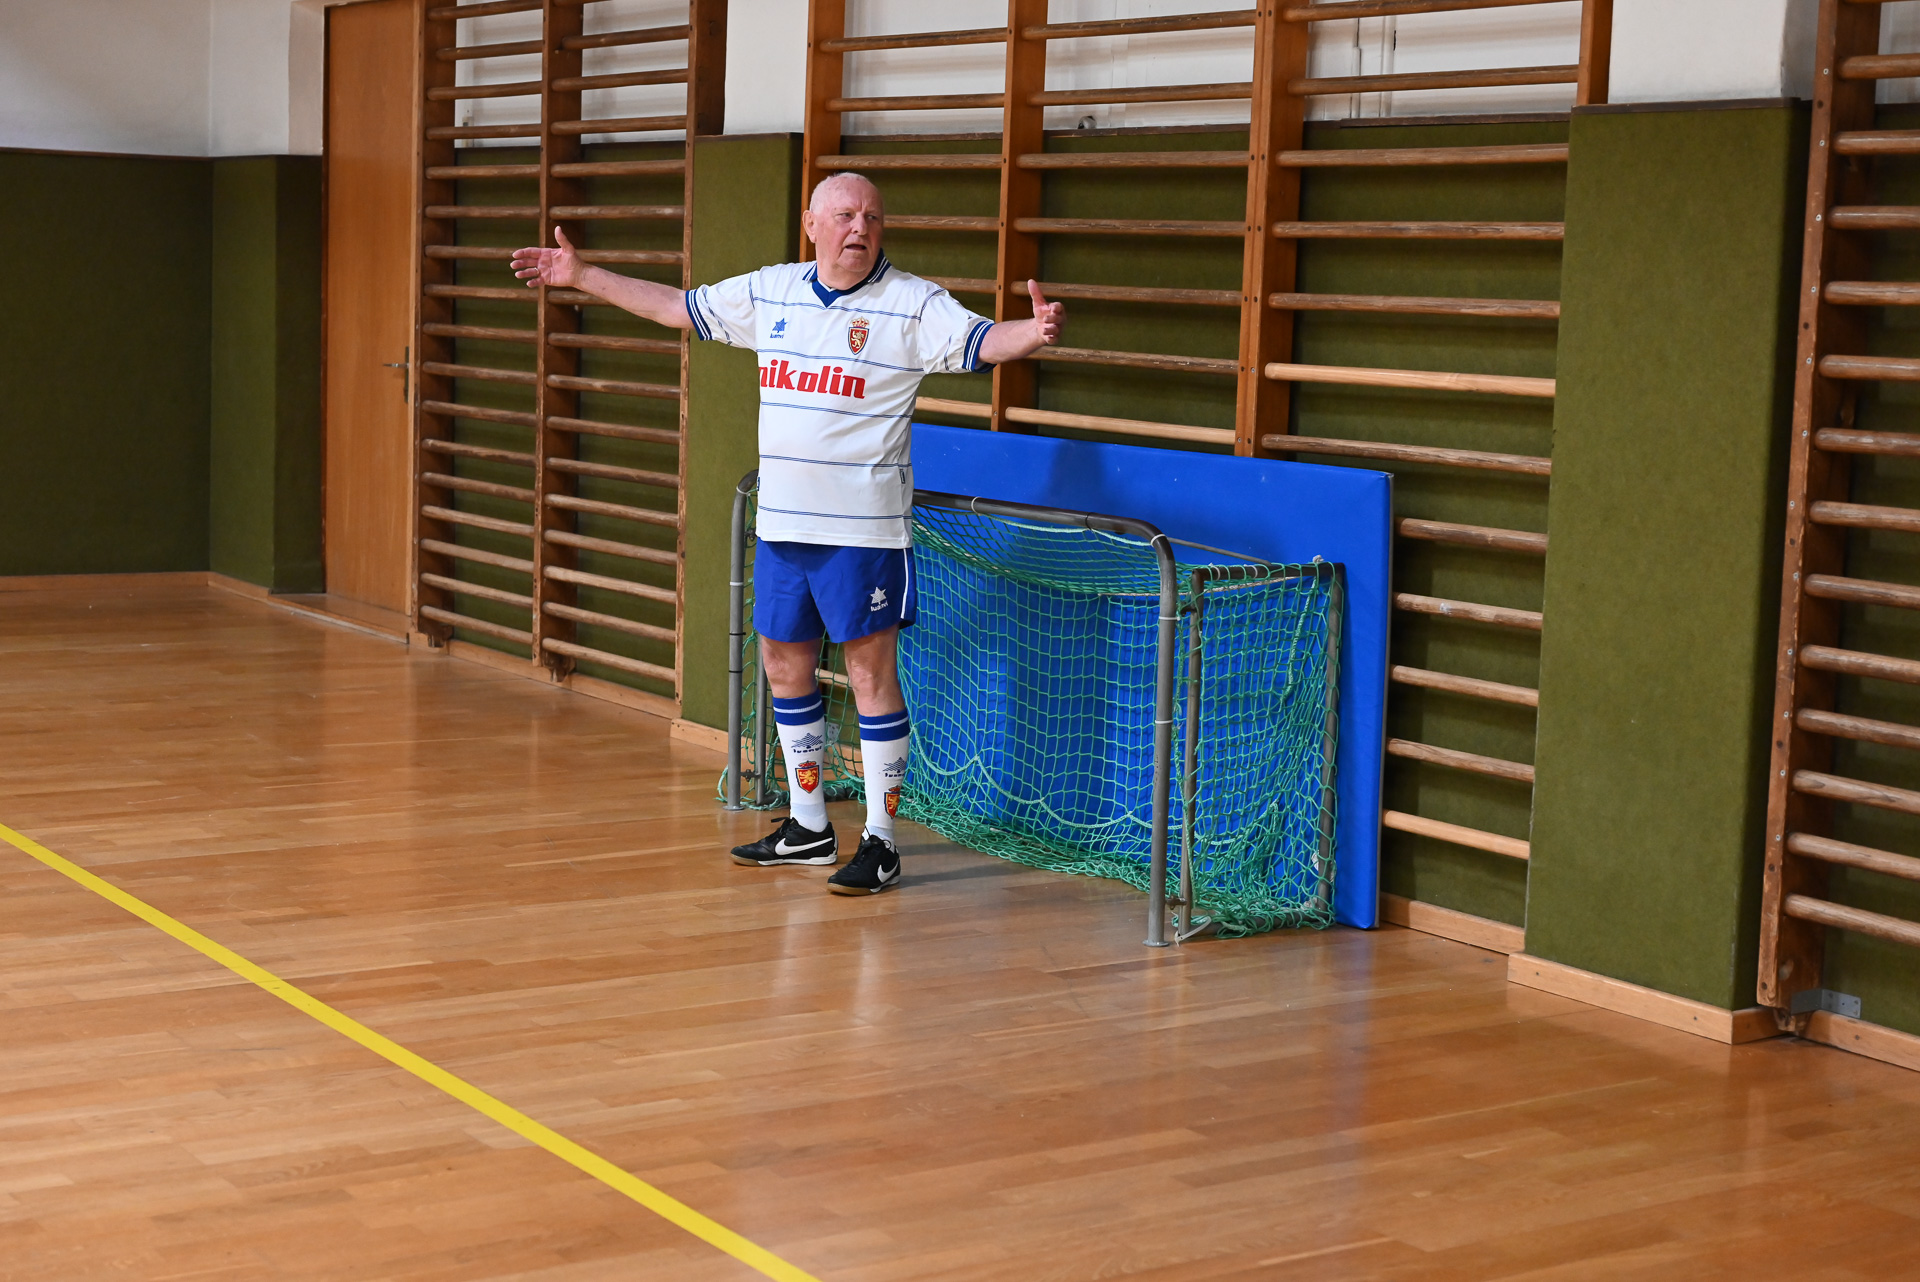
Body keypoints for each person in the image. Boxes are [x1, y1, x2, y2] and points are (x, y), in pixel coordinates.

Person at [512, 172, 1065, 895]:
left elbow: (984, 340)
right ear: (812, 224)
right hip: (782, 527)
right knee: (782, 666)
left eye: (872, 216)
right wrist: (584, 275)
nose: (859, 227)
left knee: (869, 677)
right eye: (845, 214)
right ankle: (808, 827)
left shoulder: (913, 303)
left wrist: (1034, 332)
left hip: (864, 534)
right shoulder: (770, 291)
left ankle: (881, 842)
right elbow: (678, 307)